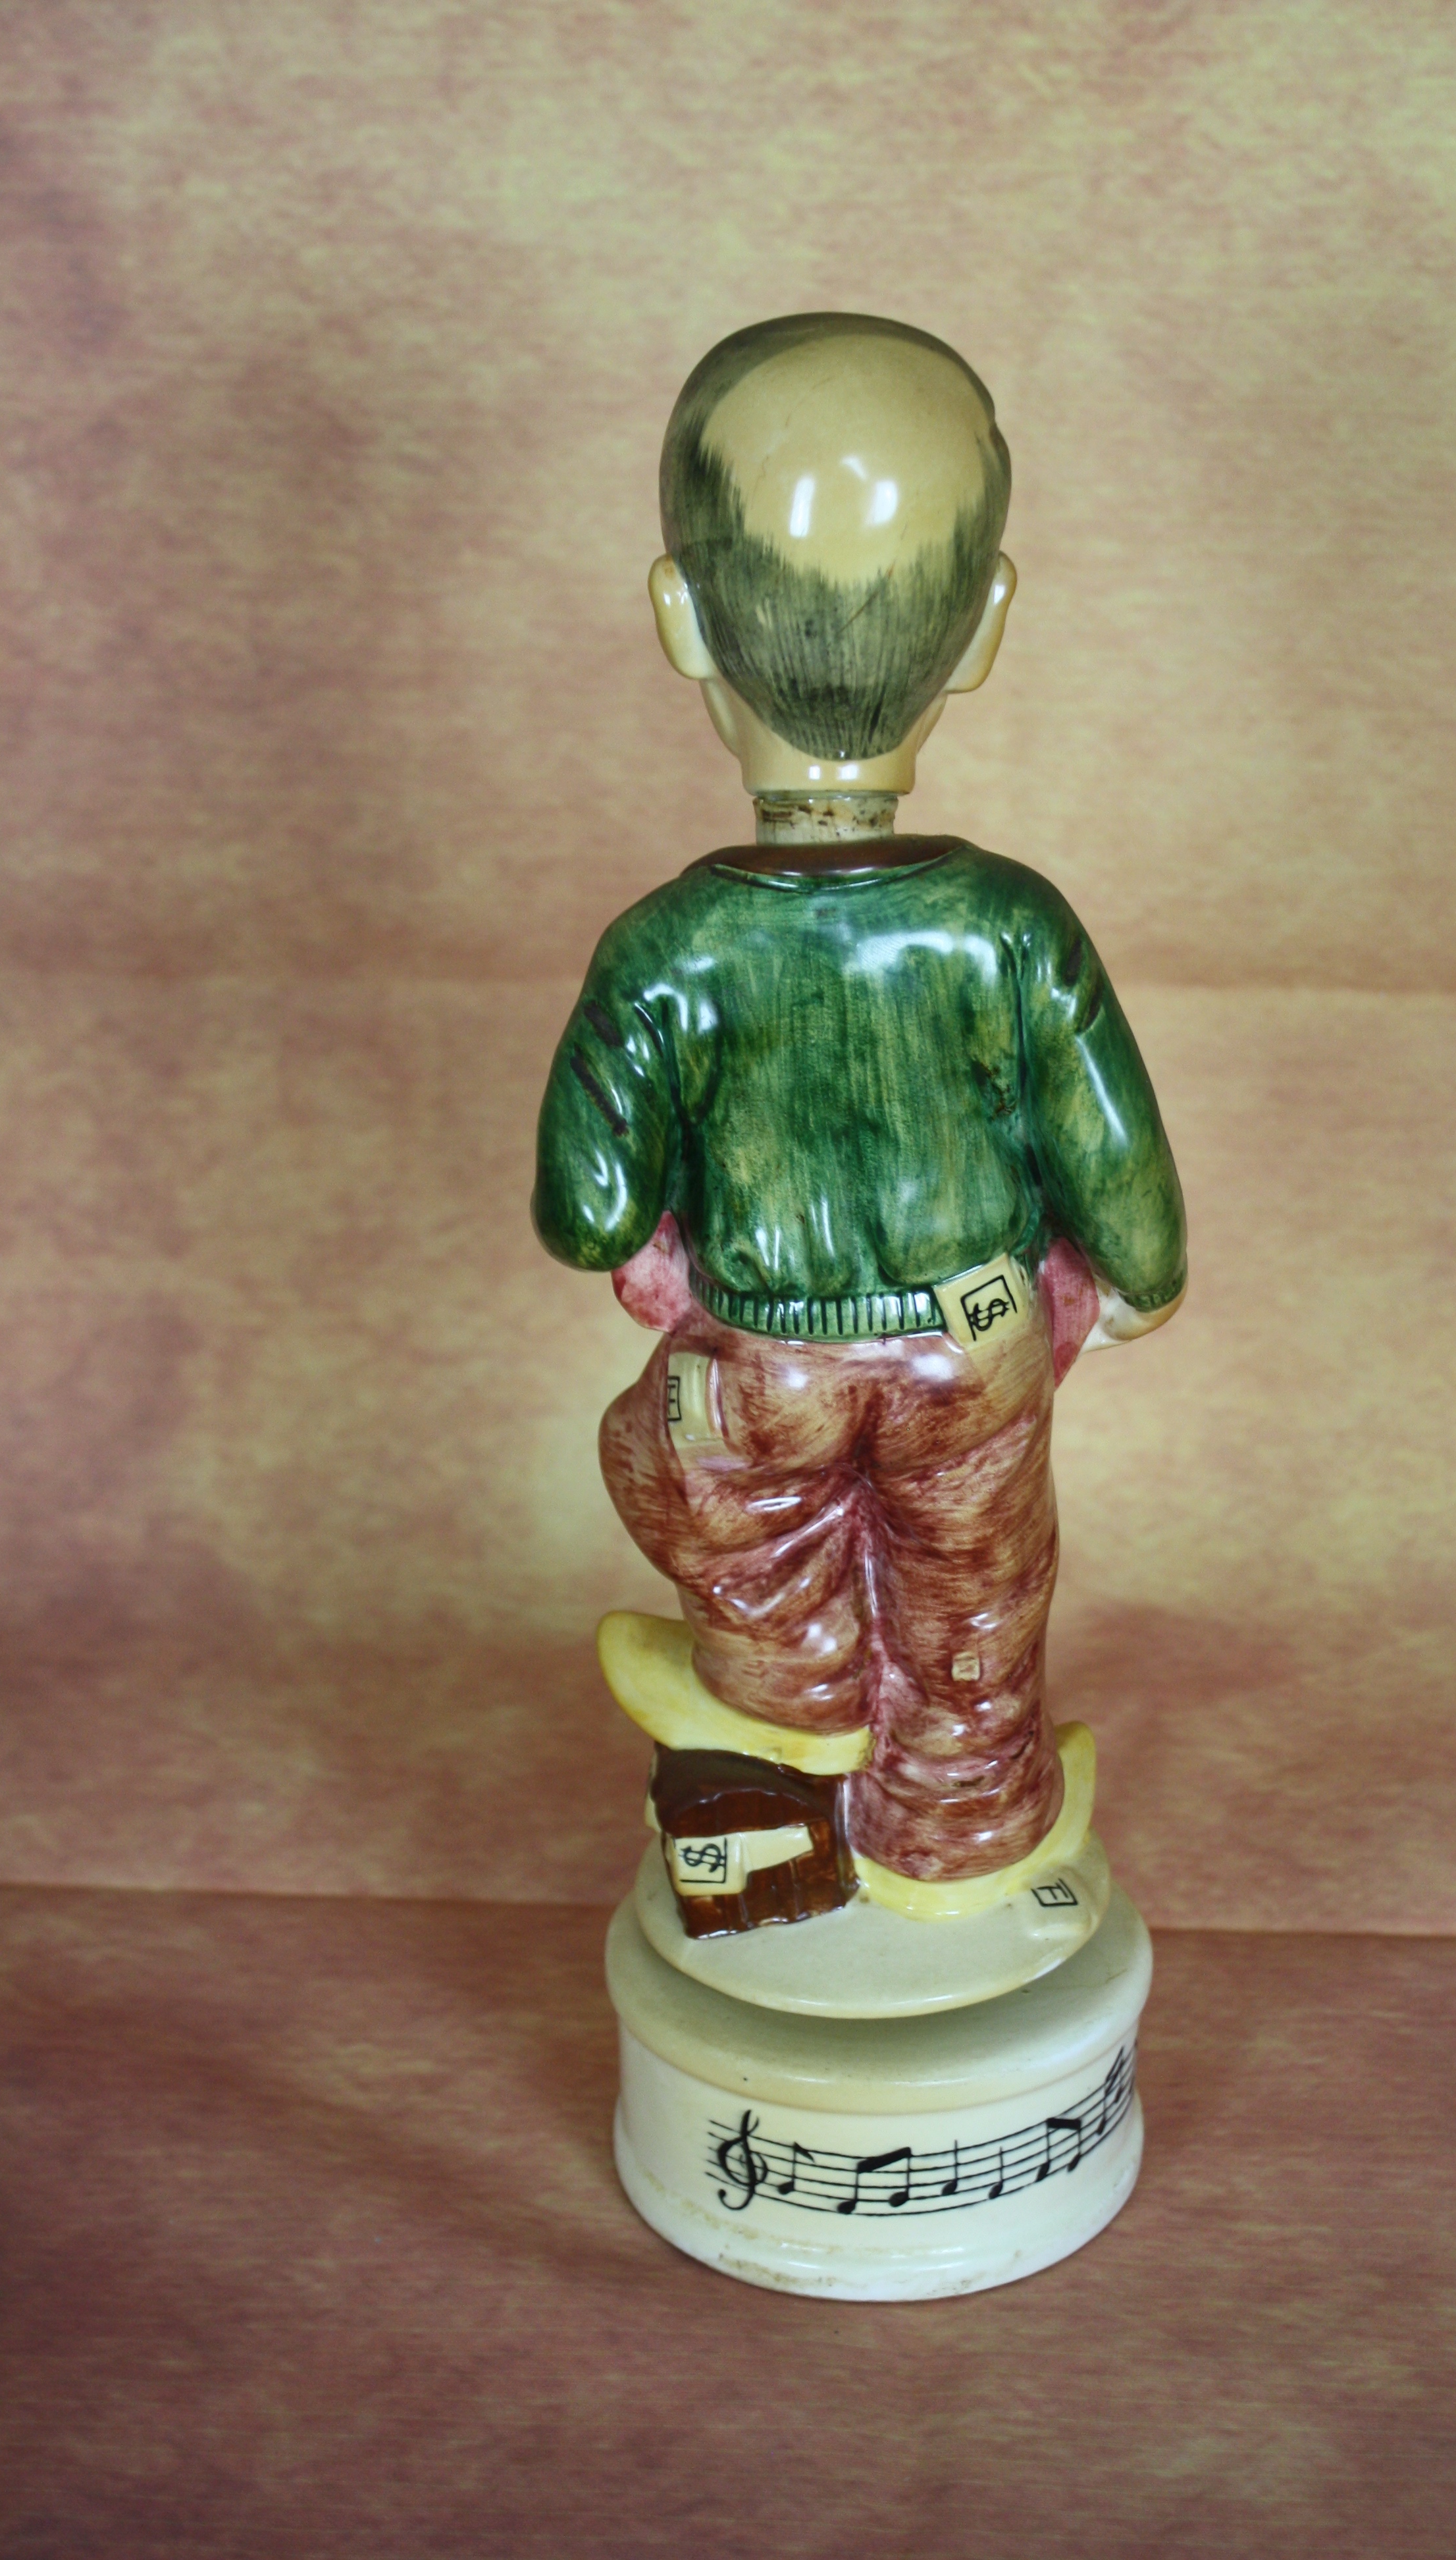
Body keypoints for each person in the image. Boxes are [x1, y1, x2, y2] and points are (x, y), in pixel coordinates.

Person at [534, 312, 1184, 1902]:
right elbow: (1115, 1162)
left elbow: (588, 1214)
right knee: (975, 1598)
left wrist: (674, 1237)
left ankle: (792, 1705)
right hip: (971, 1342)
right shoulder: (1009, 927)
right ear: (983, 627)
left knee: (730, 1526)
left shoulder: (666, 948)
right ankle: (962, 1832)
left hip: (760, 1354)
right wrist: (1139, 1281)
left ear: (681, 618)